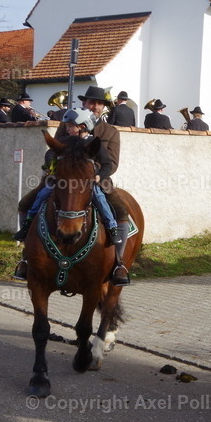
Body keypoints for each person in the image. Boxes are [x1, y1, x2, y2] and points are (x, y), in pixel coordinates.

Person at [11, 109, 120, 280]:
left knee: (99, 198)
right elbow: (50, 152)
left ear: (83, 126)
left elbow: (107, 164)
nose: (67, 128)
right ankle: (27, 228)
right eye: (67, 125)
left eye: (70, 126)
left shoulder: (93, 142)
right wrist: (51, 166)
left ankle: (112, 227)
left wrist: (99, 175)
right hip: (62, 182)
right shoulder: (65, 141)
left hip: (88, 183)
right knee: (40, 196)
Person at [79, 85, 132, 285]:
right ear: (83, 103)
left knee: (121, 213)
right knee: (29, 202)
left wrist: (97, 175)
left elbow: (113, 163)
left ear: (103, 107)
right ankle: (27, 258)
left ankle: (119, 263)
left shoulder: (110, 132)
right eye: (91, 102)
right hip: (67, 179)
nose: (94, 106)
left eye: (99, 103)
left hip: (99, 181)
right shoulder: (68, 124)